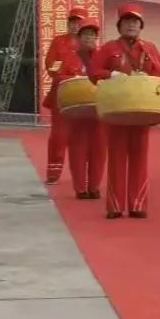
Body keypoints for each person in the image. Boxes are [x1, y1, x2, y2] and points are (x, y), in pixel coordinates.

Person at [91, 3, 160, 219]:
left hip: (142, 109)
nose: (131, 25)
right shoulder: (109, 48)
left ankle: (137, 204)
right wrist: (111, 75)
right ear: (119, 26)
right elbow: (94, 72)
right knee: (116, 157)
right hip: (117, 110)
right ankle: (115, 206)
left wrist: (151, 78)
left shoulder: (149, 49)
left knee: (139, 157)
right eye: (127, 21)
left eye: (135, 22)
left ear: (141, 26)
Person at [56, 18, 108, 199]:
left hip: (98, 110)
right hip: (77, 110)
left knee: (99, 150)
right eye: (85, 35)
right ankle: (80, 188)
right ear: (78, 38)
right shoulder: (68, 56)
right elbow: (59, 75)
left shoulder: (103, 56)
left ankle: (94, 187)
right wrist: (72, 79)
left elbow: (109, 75)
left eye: (92, 35)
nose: (88, 38)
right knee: (78, 149)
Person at [43, 7, 88, 184]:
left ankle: (81, 174)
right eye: (73, 22)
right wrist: (63, 76)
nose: (76, 26)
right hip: (62, 93)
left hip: (83, 94)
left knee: (82, 136)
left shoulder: (90, 43)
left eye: (79, 23)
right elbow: (51, 64)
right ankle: (53, 172)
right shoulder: (59, 42)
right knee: (59, 135)